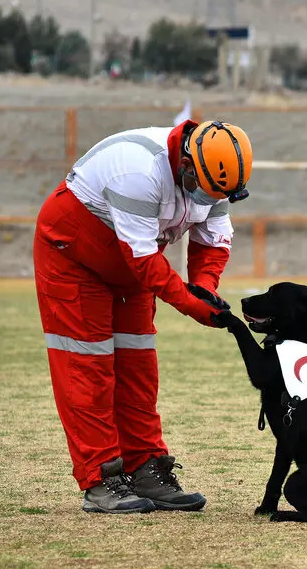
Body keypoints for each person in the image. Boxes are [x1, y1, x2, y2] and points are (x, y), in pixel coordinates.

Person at [33, 119, 253, 514]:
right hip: (75, 256)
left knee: (138, 366)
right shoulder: (137, 169)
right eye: (199, 189)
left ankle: (145, 466)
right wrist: (191, 304)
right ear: (186, 162)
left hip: (131, 259)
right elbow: (143, 260)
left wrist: (203, 288)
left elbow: (213, 241)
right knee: (89, 368)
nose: (206, 198)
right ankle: (101, 479)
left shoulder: (216, 177)